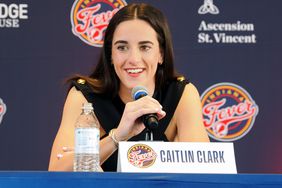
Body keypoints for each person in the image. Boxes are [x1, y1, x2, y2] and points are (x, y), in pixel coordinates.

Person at [48, 3, 209, 172]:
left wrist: (89, 157)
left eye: (145, 47)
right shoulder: (85, 96)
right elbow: (57, 170)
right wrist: (117, 137)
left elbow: (204, 173)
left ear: (161, 53)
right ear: (110, 54)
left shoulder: (180, 94)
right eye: (122, 47)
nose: (133, 58)